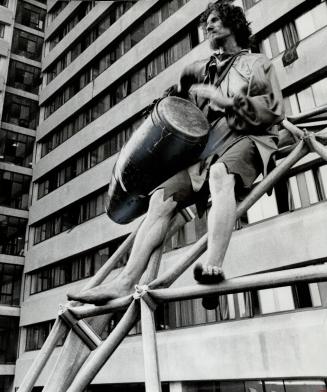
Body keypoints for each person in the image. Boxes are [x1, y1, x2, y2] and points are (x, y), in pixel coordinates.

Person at [67, 0, 284, 309]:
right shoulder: (199, 70)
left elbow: (274, 110)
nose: (207, 26)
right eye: (206, 22)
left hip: (247, 138)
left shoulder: (257, 64)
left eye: (214, 20)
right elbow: (177, 103)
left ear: (233, 24)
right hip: (205, 150)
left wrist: (223, 101)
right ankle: (125, 282)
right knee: (160, 199)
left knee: (220, 174)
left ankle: (213, 268)